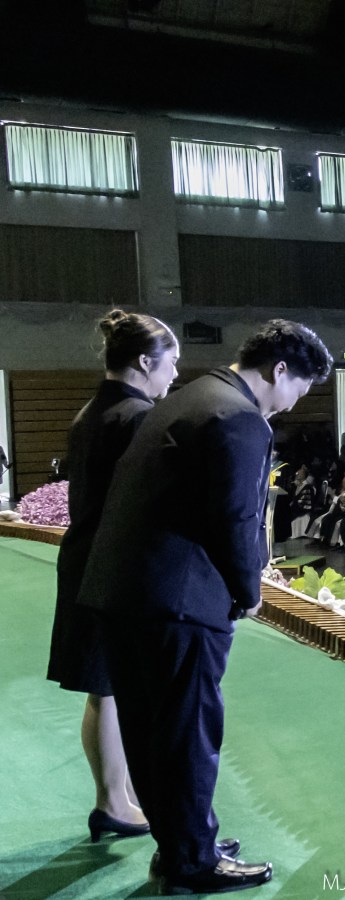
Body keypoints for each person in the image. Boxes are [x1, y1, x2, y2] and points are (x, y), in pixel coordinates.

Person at [80, 319, 332, 894]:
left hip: (125, 593)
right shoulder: (239, 416)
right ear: (280, 371)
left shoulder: (191, 395)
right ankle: (192, 861)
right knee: (188, 735)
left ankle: (179, 845)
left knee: (150, 733)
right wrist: (250, 592)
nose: (293, 405)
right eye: (299, 390)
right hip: (178, 602)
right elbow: (236, 519)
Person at [47, 310, 179, 844]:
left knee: (106, 691)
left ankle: (117, 799)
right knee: (112, 689)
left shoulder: (94, 411)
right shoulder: (138, 416)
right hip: (114, 566)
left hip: (86, 558)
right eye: (172, 363)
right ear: (145, 362)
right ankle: (112, 801)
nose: (175, 375)